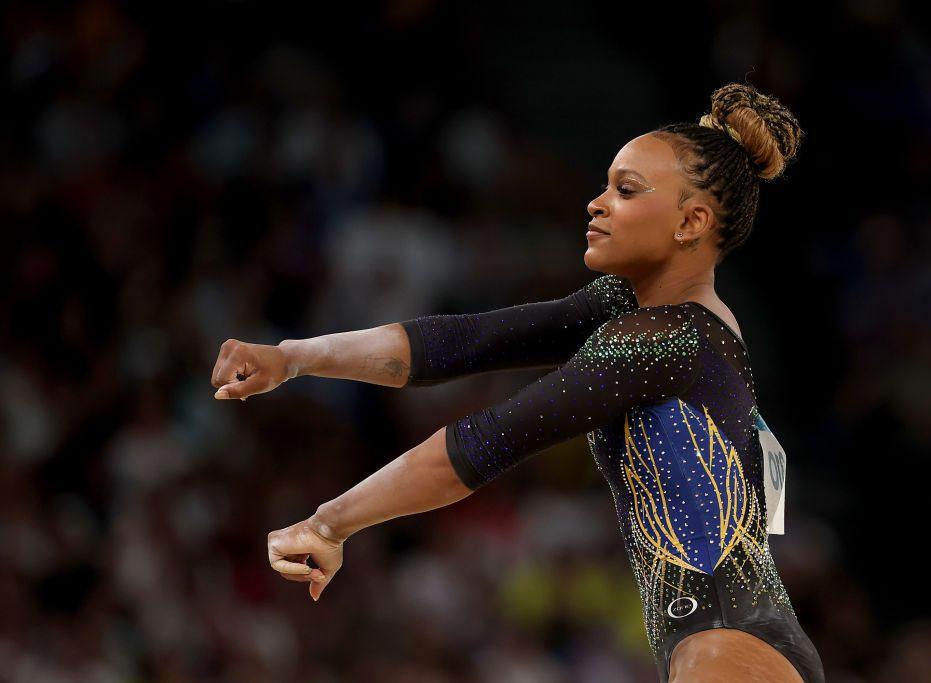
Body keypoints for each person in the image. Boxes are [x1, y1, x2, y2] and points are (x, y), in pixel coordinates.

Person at [210, 82, 826, 683]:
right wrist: (292, 357)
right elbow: (466, 342)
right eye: (605, 185)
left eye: (627, 190)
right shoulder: (647, 318)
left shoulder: (663, 340)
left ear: (691, 222)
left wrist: (327, 524)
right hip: (734, 642)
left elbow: (482, 444)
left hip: (726, 649)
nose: (597, 202)